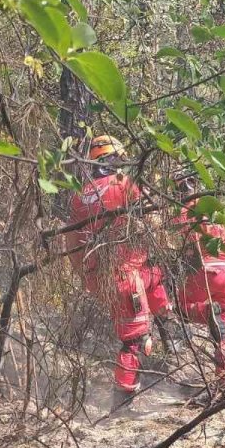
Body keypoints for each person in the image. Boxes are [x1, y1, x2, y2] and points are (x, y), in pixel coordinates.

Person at [66, 135, 171, 393]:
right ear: (114, 159)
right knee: (136, 340)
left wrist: (87, 277)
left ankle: (165, 330)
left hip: (99, 277)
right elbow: (153, 222)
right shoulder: (124, 184)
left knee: (155, 275)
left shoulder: (78, 196)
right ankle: (122, 397)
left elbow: (71, 245)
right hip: (124, 276)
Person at [173, 185, 225, 380]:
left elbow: (177, 241)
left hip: (206, 269)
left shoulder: (185, 210)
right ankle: (224, 376)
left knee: (180, 307)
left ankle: (207, 311)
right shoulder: (220, 209)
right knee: (222, 325)